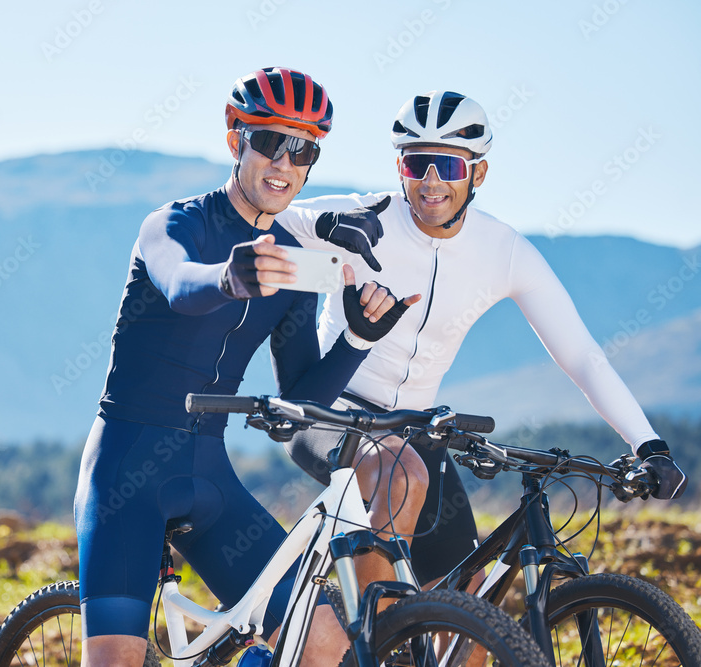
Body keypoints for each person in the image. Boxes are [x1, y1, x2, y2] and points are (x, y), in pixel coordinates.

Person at [275, 89, 688, 594]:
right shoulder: (361, 217)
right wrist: (315, 239)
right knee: (397, 478)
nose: (430, 182)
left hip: (416, 429)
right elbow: (252, 216)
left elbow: (581, 355)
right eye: (416, 164)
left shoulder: (503, 250)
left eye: (447, 166)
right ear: (399, 168)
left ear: (478, 174)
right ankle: (373, 636)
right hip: (331, 412)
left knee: (467, 611)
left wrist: (648, 443)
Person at [73, 67, 419, 666]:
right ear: (236, 138)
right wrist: (228, 278)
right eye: (268, 142)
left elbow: (301, 403)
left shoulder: (295, 264)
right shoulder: (175, 224)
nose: (284, 163)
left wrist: (357, 340)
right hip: (126, 472)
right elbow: (182, 286)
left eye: (303, 149)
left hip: (210, 477)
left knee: (327, 652)